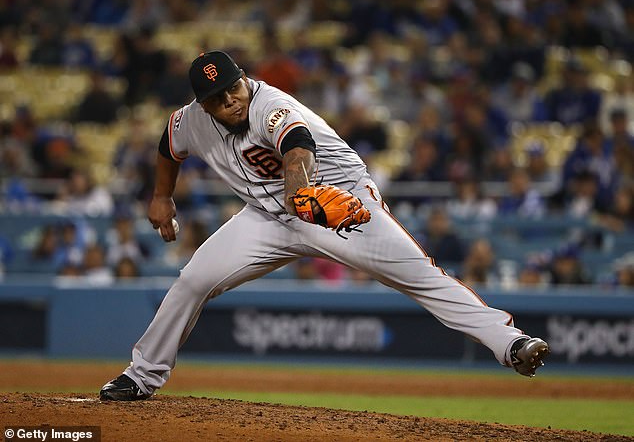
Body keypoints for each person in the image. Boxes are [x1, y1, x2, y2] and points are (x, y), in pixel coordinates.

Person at [100, 50, 549, 401]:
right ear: (202, 104)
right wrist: (161, 195)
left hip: (339, 207)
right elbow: (169, 143)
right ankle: (141, 377)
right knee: (193, 279)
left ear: (244, 78)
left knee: (421, 276)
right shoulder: (194, 120)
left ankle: (510, 343)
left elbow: (296, 147)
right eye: (216, 99)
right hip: (266, 220)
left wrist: (299, 191)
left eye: (233, 88)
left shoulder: (270, 105)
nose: (229, 100)